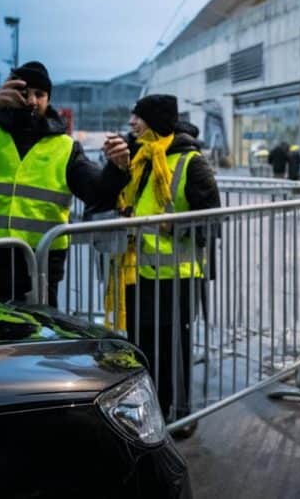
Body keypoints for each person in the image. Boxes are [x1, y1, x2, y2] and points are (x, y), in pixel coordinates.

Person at [0, 62, 130, 306]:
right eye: (24, 92)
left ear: (49, 99)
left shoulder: (65, 147)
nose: (31, 101)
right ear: (7, 89)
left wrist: (117, 169)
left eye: (40, 94)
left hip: (36, 265)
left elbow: (97, 194)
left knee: (33, 330)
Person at [119, 94, 220, 439]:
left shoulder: (191, 161)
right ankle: (148, 410)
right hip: (138, 271)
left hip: (176, 275)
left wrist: (175, 226)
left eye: (138, 117)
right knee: (141, 346)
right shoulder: (140, 158)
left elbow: (212, 221)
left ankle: (179, 414)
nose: (132, 123)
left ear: (156, 121)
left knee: (172, 349)